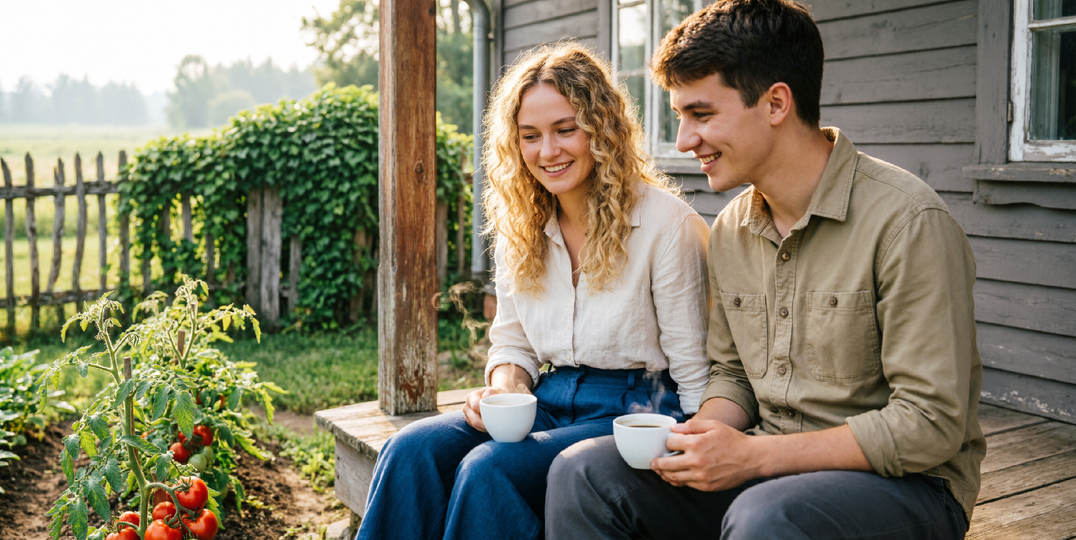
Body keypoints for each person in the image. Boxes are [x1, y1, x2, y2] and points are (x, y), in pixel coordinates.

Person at [544, 1, 985, 539]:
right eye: (681, 116)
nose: (684, 140)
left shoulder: (909, 222)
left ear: (776, 102)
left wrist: (755, 458)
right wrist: (704, 437)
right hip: (766, 467)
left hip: (908, 487)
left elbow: (930, 424)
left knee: (766, 516)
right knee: (585, 471)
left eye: (701, 115)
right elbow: (732, 374)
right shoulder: (732, 228)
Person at [354, 42, 711, 540]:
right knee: (410, 449)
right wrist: (506, 387)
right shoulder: (523, 225)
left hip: (635, 413)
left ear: (602, 128)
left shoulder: (667, 226)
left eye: (566, 129)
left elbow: (696, 371)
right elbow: (513, 344)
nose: (548, 151)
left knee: (489, 469)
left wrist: (703, 462)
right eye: (530, 136)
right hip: (548, 395)